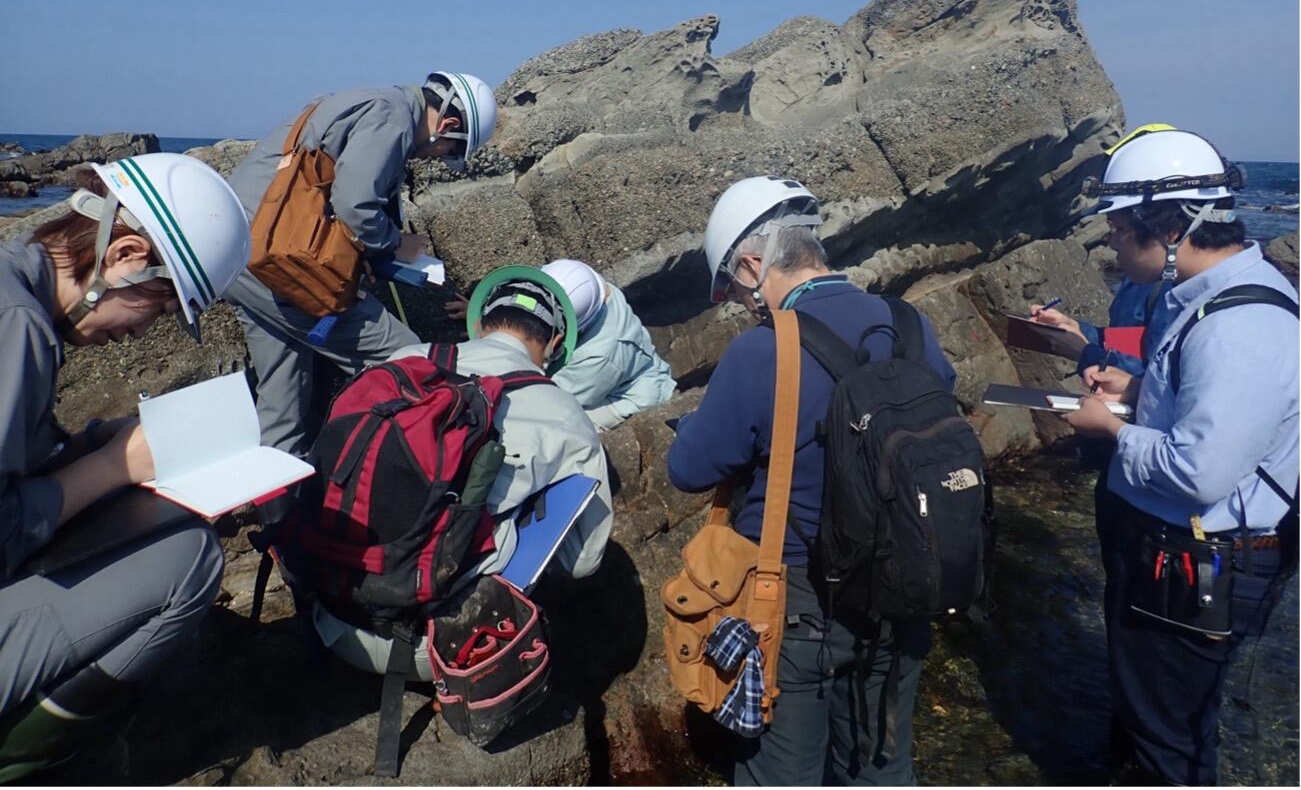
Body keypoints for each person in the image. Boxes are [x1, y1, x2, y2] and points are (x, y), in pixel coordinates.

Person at [666, 176, 957, 786]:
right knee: (880, 761)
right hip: (904, 580)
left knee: (784, 772)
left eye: (736, 289)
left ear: (753, 264)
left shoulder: (762, 351)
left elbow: (688, 469)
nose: (743, 304)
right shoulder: (907, 326)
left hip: (798, 598)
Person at [0, 154, 251, 780]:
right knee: (188, 560)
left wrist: (86, 448)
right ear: (124, 256)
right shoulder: (18, 328)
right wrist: (113, 467)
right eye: (160, 310)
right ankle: (25, 759)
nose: (143, 335)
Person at [1061, 128, 1299, 786]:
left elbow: (1202, 472)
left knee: (1164, 747)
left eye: (1118, 226)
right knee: (1180, 725)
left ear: (1169, 226)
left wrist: (1111, 427)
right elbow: (1214, 416)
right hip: (1192, 555)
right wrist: (1138, 392)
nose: (1110, 239)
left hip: (1199, 560)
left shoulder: (1237, 328)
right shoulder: (1211, 299)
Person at [309, 267, 613, 677]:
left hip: (329, 613)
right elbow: (583, 560)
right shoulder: (564, 413)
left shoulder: (404, 361)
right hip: (433, 653)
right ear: (556, 342)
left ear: (480, 323)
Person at [224, 72, 497, 458]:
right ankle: (396, 482)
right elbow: (355, 205)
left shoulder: (365, 99)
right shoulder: (393, 118)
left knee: (282, 405)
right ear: (448, 126)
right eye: (450, 151)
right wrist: (395, 244)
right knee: (411, 363)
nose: (438, 159)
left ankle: (280, 512)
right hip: (284, 266)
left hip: (239, 258)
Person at [1030, 125, 1182, 379]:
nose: (1112, 242)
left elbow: (1158, 375)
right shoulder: (1141, 273)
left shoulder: (1177, 287)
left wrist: (1085, 352)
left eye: (1119, 227)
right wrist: (1075, 329)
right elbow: (1134, 341)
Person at [540, 258, 677, 431]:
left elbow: (551, 400)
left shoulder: (597, 356)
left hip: (631, 396)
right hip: (623, 364)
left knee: (559, 428)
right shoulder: (589, 289)